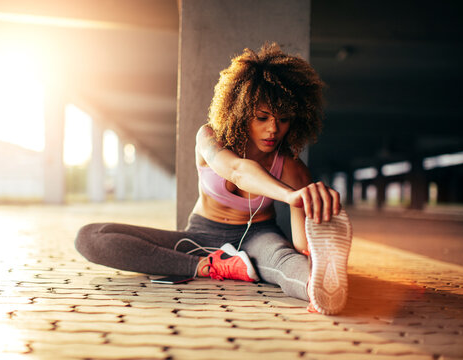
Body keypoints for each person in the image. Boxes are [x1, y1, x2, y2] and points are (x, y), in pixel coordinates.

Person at [75, 42, 353, 315]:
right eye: (262, 117)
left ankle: (319, 292)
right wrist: (291, 195)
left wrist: (312, 215)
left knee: (286, 261)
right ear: (242, 111)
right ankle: (208, 266)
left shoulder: (293, 169)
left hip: (260, 237)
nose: (273, 129)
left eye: (283, 119)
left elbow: (302, 245)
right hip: (199, 238)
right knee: (90, 237)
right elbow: (236, 170)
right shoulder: (209, 139)